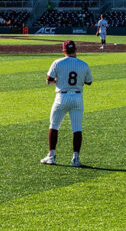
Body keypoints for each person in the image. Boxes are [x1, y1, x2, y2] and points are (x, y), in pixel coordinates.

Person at [41, 40, 93, 168]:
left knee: (54, 126)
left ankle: (51, 156)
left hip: (61, 97)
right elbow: (89, 82)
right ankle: (75, 158)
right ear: (76, 50)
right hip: (77, 97)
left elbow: (48, 80)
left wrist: (59, 81)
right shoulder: (84, 64)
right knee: (77, 128)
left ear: (64, 50)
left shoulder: (57, 62)